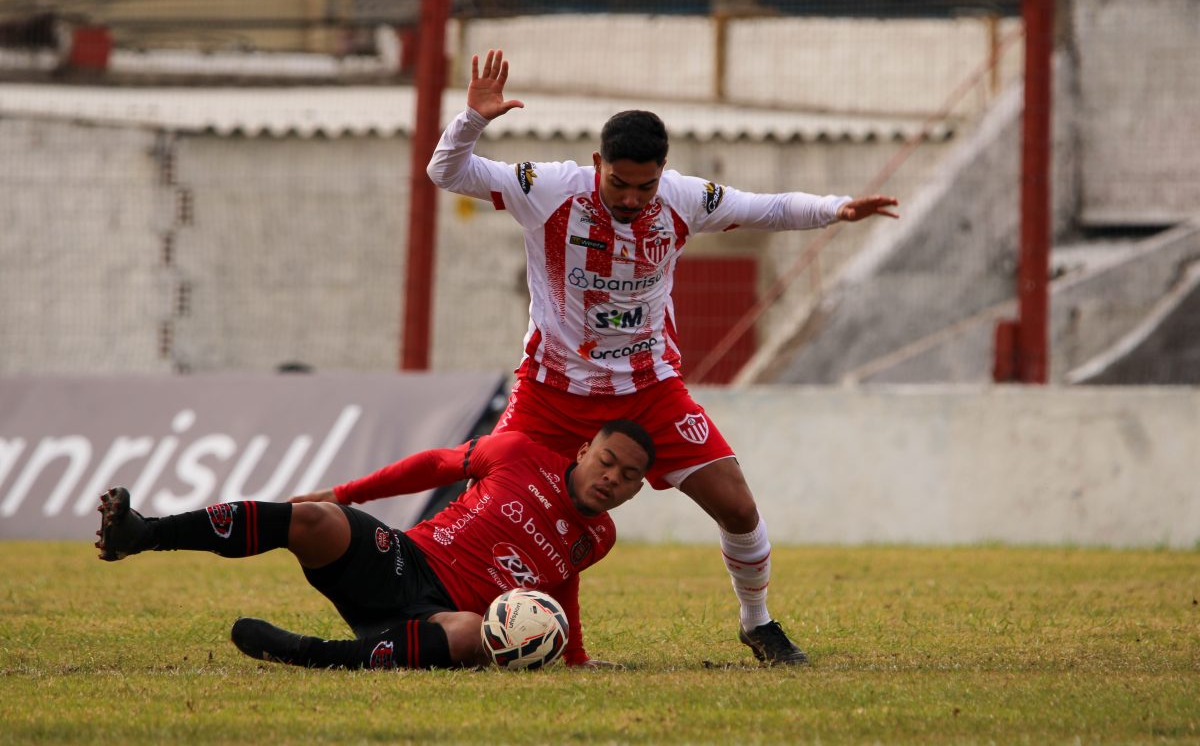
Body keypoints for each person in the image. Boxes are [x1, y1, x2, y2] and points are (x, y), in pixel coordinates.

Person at [424, 49, 900, 666]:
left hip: (649, 389)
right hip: (552, 390)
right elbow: (446, 172)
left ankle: (757, 623)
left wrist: (836, 208)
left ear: (663, 173)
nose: (631, 198)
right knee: (486, 504)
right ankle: (447, 621)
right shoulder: (547, 188)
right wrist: (472, 119)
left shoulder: (685, 199)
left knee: (738, 506)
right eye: (618, 183)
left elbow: (769, 208)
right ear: (597, 163)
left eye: (644, 186)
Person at [95, 420, 654, 670]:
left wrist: (575, 656)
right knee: (317, 520)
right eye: (606, 462)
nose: (612, 478)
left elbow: (562, 584)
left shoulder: (599, 537)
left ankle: (308, 654)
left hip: (442, 620)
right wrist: (343, 493)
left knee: (473, 635)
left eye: (628, 477)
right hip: (404, 561)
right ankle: (145, 533)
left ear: (636, 490)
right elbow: (430, 466)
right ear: (584, 451)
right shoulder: (517, 452)